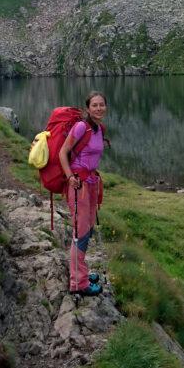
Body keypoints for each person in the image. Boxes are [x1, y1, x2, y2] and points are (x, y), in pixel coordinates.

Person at [58, 91, 107, 296]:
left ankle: (82, 273)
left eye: (101, 105)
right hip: (79, 185)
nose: (98, 108)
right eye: (94, 105)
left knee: (87, 230)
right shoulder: (81, 127)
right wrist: (70, 177)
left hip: (91, 183)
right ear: (88, 108)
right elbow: (63, 152)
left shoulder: (98, 129)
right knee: (81, 232)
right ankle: (78, 283)